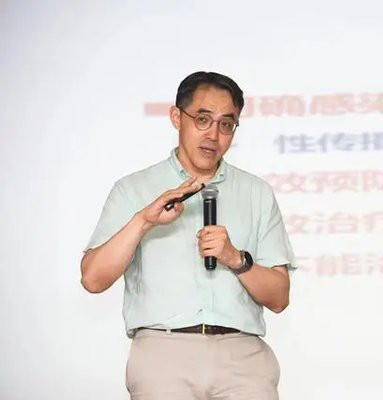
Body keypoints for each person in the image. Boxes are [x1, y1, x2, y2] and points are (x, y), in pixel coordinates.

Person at [80, 71, 296, 400]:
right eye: (203, 119)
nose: (213, 135)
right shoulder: (133, 189)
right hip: (163, 353)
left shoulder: (257, 193)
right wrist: (143, 221)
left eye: (226, 124)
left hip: (243, 356)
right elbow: (93, 279)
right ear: (176, 117)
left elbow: (279, 297)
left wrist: (235, 258)